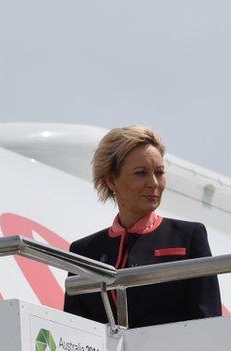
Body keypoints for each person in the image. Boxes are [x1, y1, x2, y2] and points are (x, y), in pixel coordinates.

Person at [63, 125, 221, 328]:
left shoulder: (189, 237)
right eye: (141, 173)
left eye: (159, 172)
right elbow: (71, 332)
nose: (154, 183)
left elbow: (209, 325)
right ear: (112, 180)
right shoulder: (83, 251)